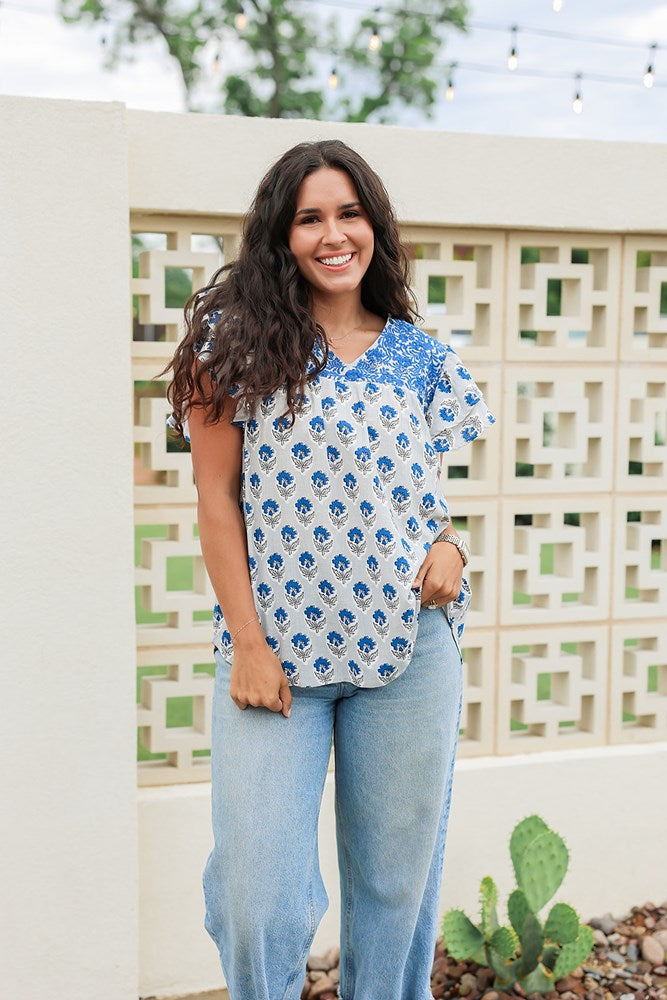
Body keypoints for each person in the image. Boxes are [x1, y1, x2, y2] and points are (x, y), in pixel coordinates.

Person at [163, 139, 497, 1000]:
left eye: (348, 213)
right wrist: (246, 642)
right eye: (309, 217)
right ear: (281, 235)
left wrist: (453, 550)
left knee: (395, 889)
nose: (332, 233)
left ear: (374, 228)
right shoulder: (230, 344)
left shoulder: (420, 356)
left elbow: (418, 497)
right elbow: (214, 503)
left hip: (407, 654)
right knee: (258, 894)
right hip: (274, 659)